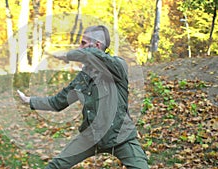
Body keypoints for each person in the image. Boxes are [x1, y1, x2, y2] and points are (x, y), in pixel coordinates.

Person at [17, 25, 149, 169]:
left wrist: (69, 55)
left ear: (97, 45)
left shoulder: (118, 67)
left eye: (83, 43)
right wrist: (29, 101)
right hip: (91, 137)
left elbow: (95, 56)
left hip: (120, 136)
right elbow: (57, 102)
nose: (79, 46)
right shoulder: (82, 78)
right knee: (55, 166)